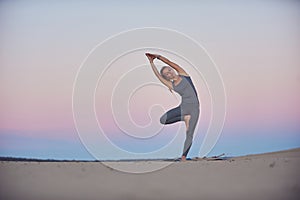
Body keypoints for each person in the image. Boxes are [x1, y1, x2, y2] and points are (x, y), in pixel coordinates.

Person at [145, 53, 200, 161]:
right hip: (183, 108)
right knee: (163, 120)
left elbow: (170, 62)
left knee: (189, 134)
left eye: (169, 70)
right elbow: (158, 76)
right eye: (166, 74)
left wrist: (157, 57)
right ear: (167, 77)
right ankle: (183, 118)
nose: (169, 72)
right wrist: (151, 63)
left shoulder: (184, 74)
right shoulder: (172, 85)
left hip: (194, 110)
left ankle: (183, 157)